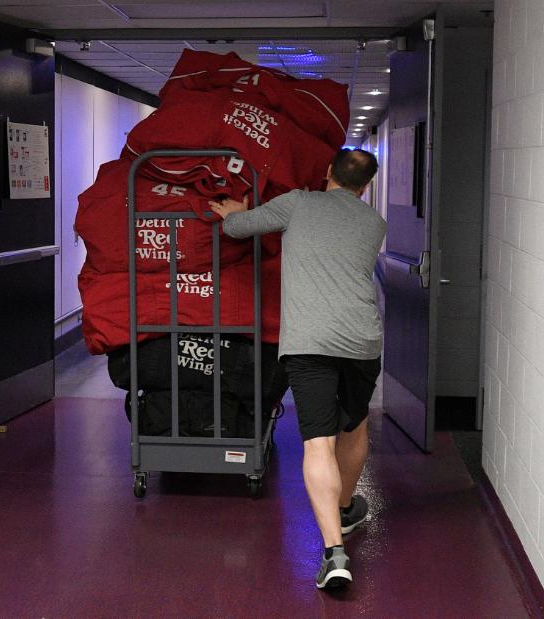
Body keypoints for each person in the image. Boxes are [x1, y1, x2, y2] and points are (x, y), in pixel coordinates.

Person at [209, 148, 386, 590]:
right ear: (366, 187)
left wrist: (237, 211)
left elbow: (236, 227)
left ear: (327, 172)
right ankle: (344, 509)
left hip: (310, 342)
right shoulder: (374, 222)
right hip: (362, 340)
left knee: (317, 442)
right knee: (356, 426)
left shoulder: (299, 202)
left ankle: (333, 554)